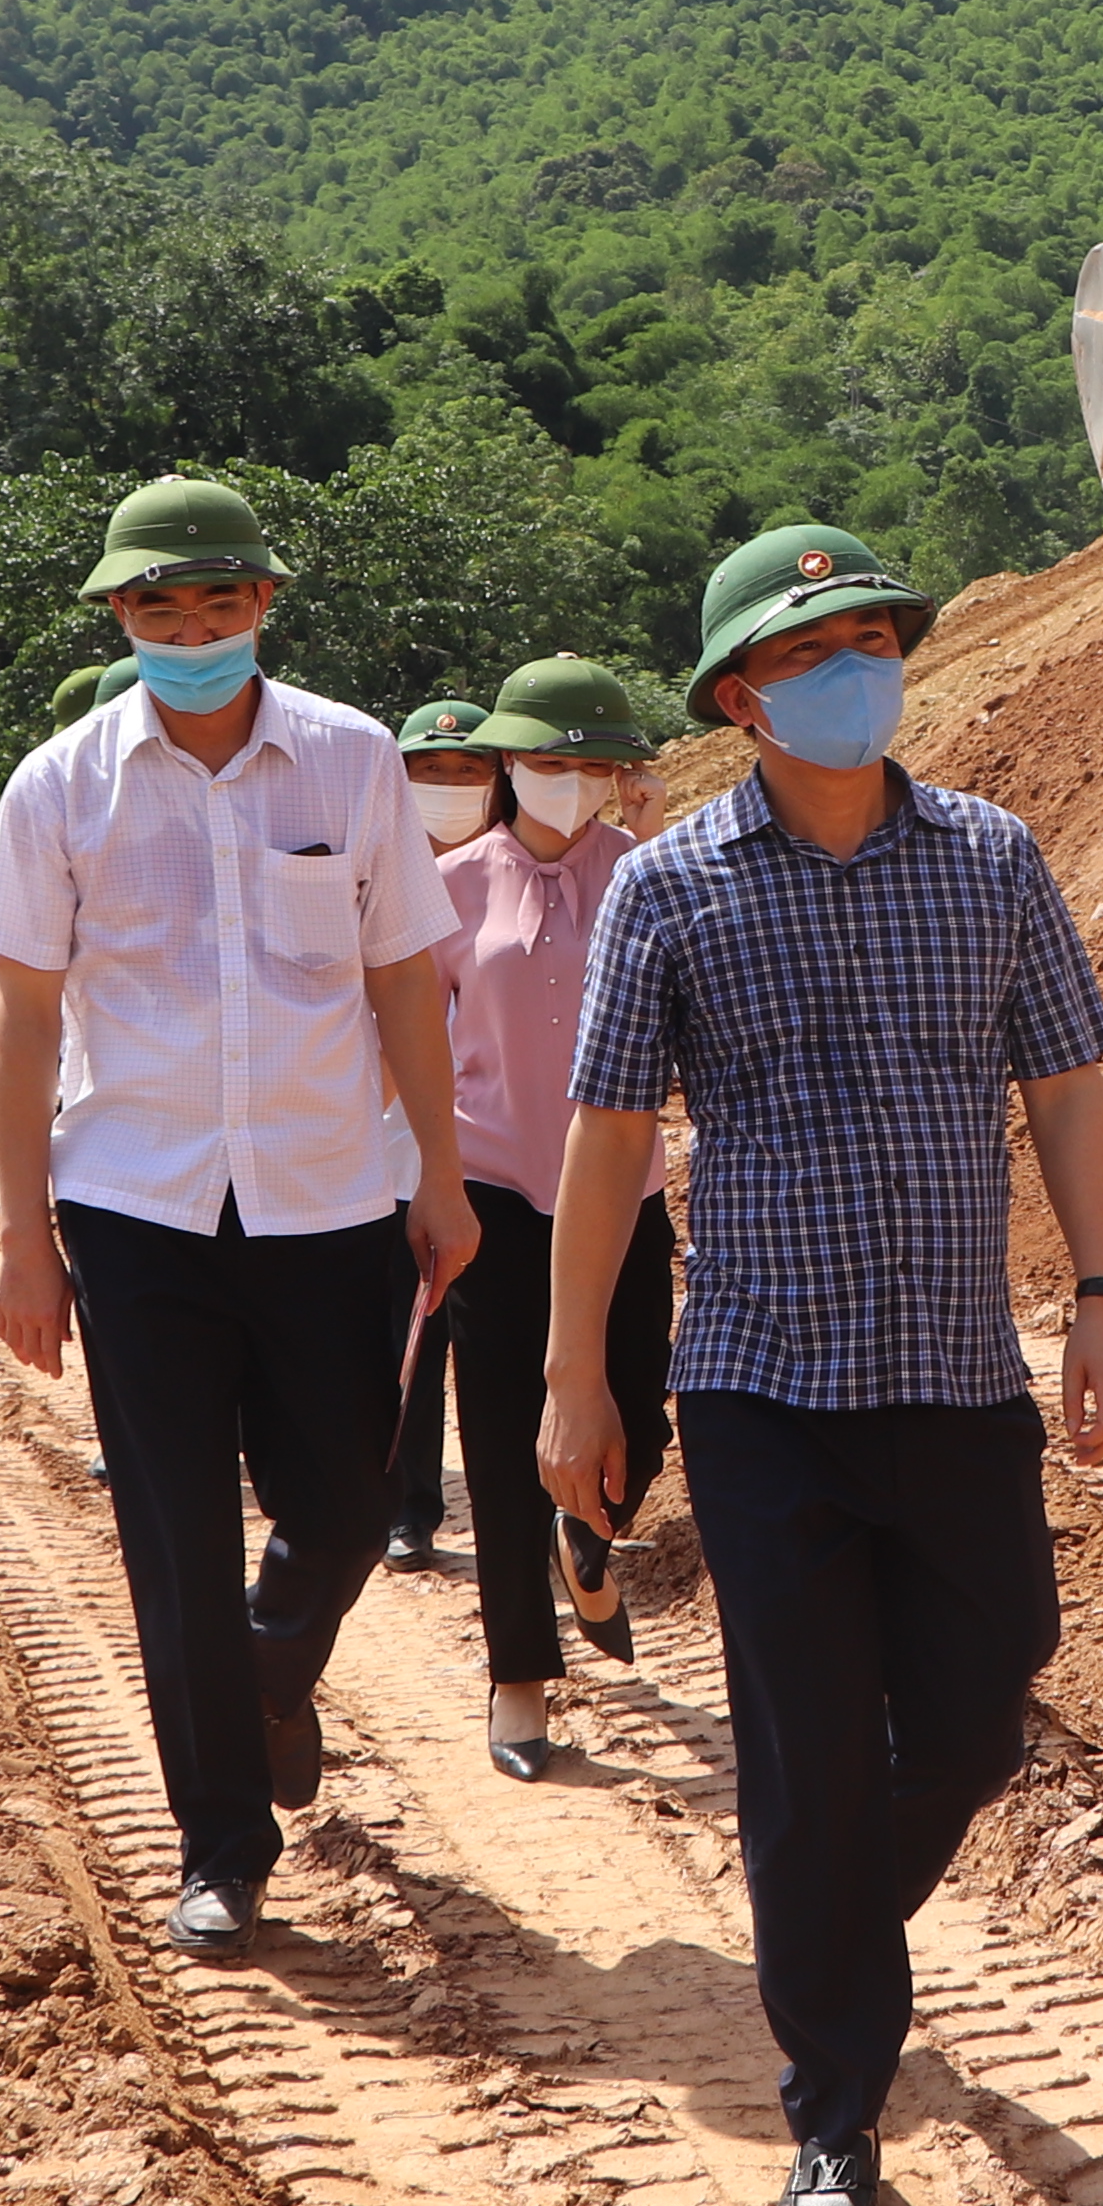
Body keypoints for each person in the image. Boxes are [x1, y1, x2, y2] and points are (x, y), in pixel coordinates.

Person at [550, 525, 1103, 2206]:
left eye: (873, 638)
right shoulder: (667, 887)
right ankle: (834, 2109)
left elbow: (1073, 1091)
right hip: (760, 1388)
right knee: (806, 1748)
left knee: (977, 1707)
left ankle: (818, 1937)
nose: (852, 670)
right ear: (742, 696)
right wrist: (575, 1371)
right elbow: (606, 1143)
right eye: (812, 653)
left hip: (958, 1374)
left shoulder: (993, 859)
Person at [0, 477, 478, 1954]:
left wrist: (441, 1177)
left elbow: (401, 978)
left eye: (216, 605)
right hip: (138, 1209)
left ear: (265, 604)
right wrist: (24, 1239)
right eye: (156, 609)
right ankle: (221, 1842)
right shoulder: (60, 786)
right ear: (119, 618)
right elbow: (23, 1026)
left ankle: (277, 1663)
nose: (188, 632)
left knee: (343, 1504)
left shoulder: (352, 760)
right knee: (172, 1537)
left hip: (332, 1200)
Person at [424, 655, 671, 1773]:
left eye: (588, 762)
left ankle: (592, 1534)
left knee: (641, 1413)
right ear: (506, 763)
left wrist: (655, 830)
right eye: (544, 760)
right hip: (495, 1192)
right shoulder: (453, 885)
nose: (565, 780)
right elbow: (414, 1048)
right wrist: (421, 1184)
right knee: (494, 1432)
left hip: (626, 1190)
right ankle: (517, 1684)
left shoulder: (656, 875)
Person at [376, 701, 496, 1574]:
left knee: (496, 1350)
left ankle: (523, 1517)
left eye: (469, 773)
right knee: (403, 1341)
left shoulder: (517, 876)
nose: (451, 790)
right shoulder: (371, 875)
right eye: (431, 774)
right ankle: (408, 1507)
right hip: (387, 1155)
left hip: (497, 1155)